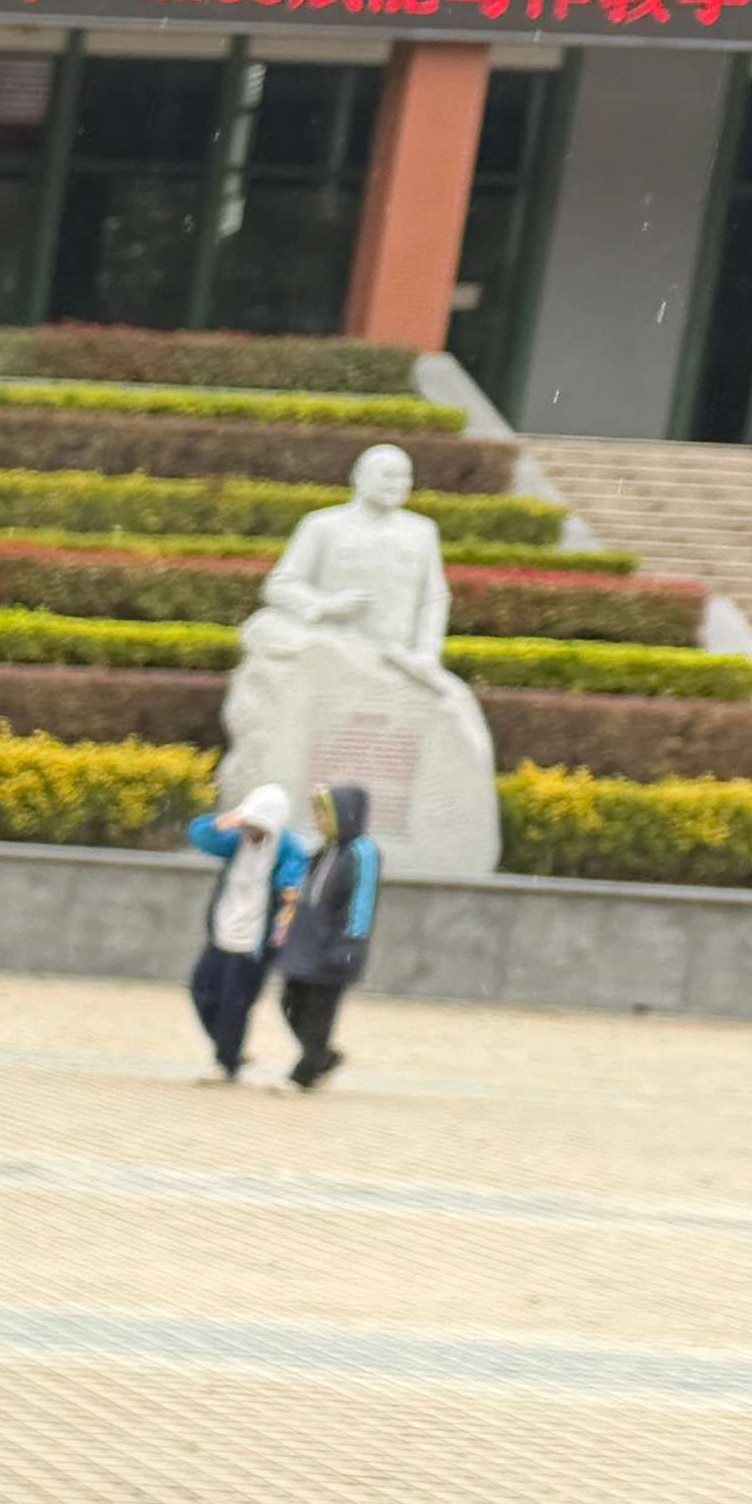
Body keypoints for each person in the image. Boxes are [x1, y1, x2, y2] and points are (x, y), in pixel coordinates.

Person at [222, 438, 499, 880]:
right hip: (338, 652)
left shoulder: (421, 531)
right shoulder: (323, 526)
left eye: (404, 476)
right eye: (387, 475)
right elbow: (280, 586)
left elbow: (434, 596)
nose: (397, 484)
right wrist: (326, 605)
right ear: (359, 477)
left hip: (398, 661)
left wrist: (427, 654)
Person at [184, 770, 307, 1079]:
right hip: (223, 932)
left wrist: (290, 888)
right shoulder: (236, 841)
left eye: (258, 826)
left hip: (255, 940)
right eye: (250, 823)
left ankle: (226, 1062)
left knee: (235, 1003)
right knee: (201, 989)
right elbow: (200, 837)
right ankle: (230, 1051)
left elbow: (296, 873)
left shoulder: (288, 847)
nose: (252, 831)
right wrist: (223, 822)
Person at [274, 778, 383, 1086]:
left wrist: (350, 944)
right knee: (290, 1004)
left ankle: (304, 1075)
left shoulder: (363, 853)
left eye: (324, 814)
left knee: (318, 1015)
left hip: (335, 948)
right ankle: (322, 1056)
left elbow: (362, 902)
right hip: (306, 947)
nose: (319, 821)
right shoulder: (325, 850)